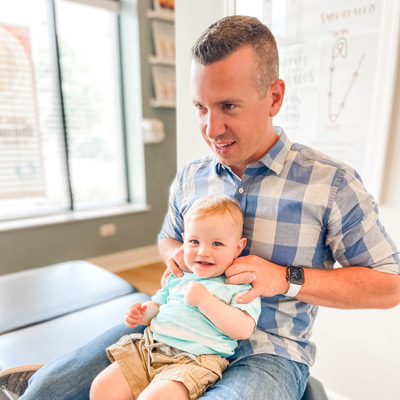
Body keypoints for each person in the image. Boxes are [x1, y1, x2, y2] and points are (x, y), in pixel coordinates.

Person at [3, 14, 399, 400]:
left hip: (266, 352)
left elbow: (390, 285)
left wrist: (284, 278)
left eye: (229, 106)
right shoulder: (191, 177)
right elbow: (168, 239)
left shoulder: (330, 183)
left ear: (274, 97)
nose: (211, 129)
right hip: (173, 331)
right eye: (200, 107)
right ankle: (43, 379)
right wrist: (179, 255)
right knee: (47, 391)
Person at [89, 195, 260, 400]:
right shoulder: (179, 275)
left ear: (237, 248)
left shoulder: (238, 283)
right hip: (149, 349)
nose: (203, 252)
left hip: (193, 362)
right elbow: (158, 306)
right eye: (194, 241)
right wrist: (143, 313)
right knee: (102, 387)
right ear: (184, 240)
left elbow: (243, 329)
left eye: (217, 243)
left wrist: (205, 301)